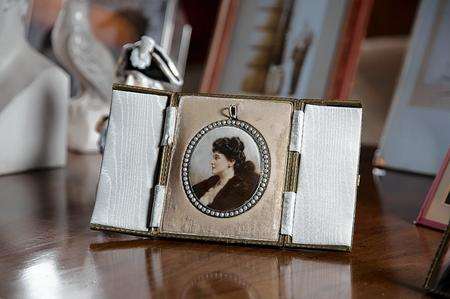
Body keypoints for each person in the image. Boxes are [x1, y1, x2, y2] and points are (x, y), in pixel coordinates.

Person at [192, 137, 260, 212]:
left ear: (231, 162)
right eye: (213, 157)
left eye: (216, 158)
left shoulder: (239, 188)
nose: (212, 162)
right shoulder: (210, 182)